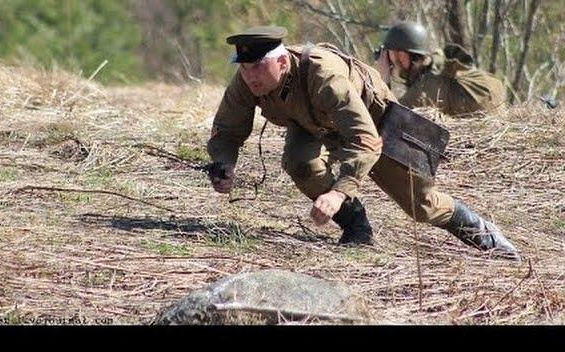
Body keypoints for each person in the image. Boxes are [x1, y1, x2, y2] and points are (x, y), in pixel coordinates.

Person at [206, 25, 520, 260]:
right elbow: (227, 128)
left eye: (258, 66)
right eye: (245, 67)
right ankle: (357, 227)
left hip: (375, 122)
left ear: (283, 63)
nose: (250, 76)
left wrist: (338, 192)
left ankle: (489, 239)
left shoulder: (323, 76)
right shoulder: (249, 82)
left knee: (422, 205)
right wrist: (224, 163)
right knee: (299, 162)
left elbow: (365, 139)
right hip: (315, 123)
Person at [375, 21, 506, 116]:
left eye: (389, 53)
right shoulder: (437, 68)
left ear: (402, 55)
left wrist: (381, 78)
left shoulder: (428, 85)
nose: (387, 58)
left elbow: (390, 118)